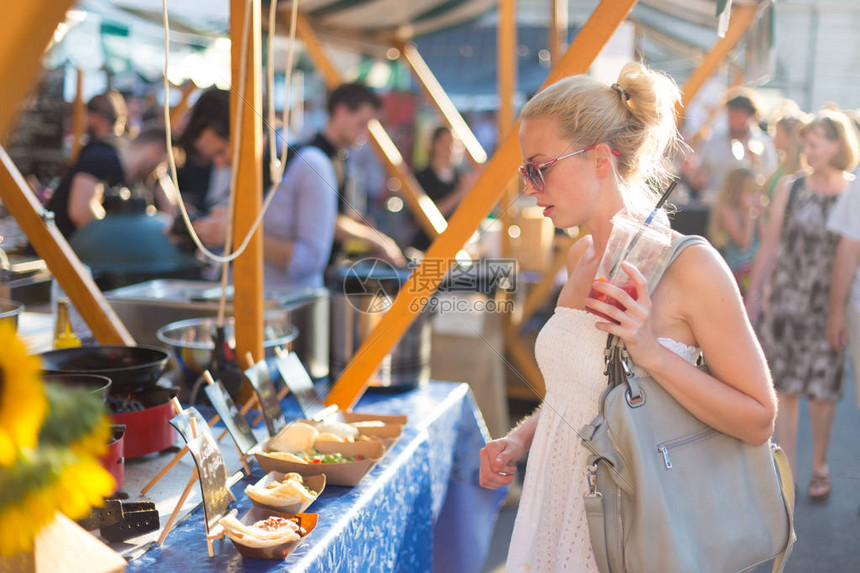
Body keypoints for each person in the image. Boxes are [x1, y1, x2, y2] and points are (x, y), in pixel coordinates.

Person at [478, 63, 776, 572]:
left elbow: (758, 418)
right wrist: (521, 438)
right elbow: (582, 391)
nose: (528, 187)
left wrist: (652, 354)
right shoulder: (579, 258)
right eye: (525, 172)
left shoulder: (688, 265)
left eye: (538, 167)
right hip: (554, 509)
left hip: (632, 523)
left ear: (598, 159)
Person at [746, 110, 859, 500]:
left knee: (825, 388)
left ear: (836, 144)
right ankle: (789, 467)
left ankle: (820, 464)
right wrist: (753, 295)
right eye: (805, 144)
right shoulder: (791, 187)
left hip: (831, 301)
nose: (807, 152)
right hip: (788, 298)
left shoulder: (852, 191)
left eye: (814, 144)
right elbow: (770, 244)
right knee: (786, 385)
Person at [46, 125, 173, 239]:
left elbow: (170, 211)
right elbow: (81, 212)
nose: (162, 171)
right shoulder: (102, 156)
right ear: (157, 150)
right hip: (51, 254)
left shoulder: (135, 181)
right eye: (165, 163)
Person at [686, 90, 778, 205]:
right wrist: (697, 178)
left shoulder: (763, 144)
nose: (733, 119)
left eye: (738, 115)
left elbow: (769, 178)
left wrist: (756, 165)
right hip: (714, 203)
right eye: (731, 114)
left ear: (750, 116)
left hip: (748, 207)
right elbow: (701, 172)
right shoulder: (713, 141)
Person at [410, 126, 477, 251]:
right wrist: (460, 193)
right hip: (426, 247)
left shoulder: (461, 177)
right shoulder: (421, 177)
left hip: (456, 247)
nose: (449, 149)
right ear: (433, 144)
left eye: (453, 144)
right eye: (444, 143)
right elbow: (428, 214)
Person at [707, 167, 765, 294]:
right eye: (749, 192)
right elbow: (744, 243)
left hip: (755, 267)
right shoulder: (727, 212)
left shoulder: (754, 212)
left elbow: (765, 240)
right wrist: (749, 214)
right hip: (737, 269)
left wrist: (760, 215)